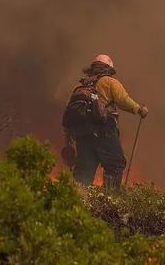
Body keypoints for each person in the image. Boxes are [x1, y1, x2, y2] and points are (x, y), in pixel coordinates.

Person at [63, 54, 148, 188]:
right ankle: (109, 200)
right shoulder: (109, 82)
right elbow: (123, 100)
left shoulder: (79, 86)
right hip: (104, 131)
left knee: (84, 171)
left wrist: (69, 139)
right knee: (115, 164)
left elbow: (69, 113)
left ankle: (77, 202)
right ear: (109, 68)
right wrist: (139, 109)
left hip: (82, 135)